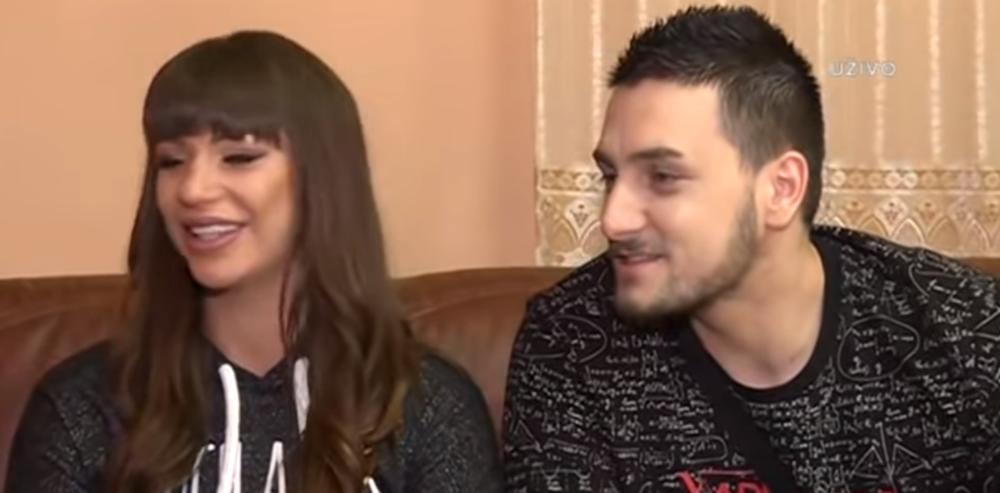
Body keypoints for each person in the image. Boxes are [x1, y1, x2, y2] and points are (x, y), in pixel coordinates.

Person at [503, 5, 1000, 492]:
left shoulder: (966, 329)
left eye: (663, 176)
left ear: (781, 189)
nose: (613, 219)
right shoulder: (571, 341)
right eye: (611, 175)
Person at [6, 30, 502, 493]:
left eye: (239, 158)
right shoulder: (82, 406)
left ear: (321, 179)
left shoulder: (427, 406)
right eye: (171, 161)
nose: (193, 189)